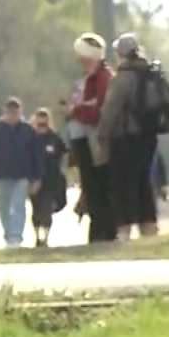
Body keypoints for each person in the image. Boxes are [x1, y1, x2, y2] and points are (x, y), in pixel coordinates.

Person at [99, 33, 161, 241]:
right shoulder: (152, 74)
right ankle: (149, 228)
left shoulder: (122, 78)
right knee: (144, 182)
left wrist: (102, 135)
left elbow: (111, 110)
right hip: (149, 137)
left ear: (121, 54)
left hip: (125, 137)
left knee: (122, 183)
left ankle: (124, 230)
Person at [68, 32, 116, 243]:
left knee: (98, 187)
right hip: (88, 138)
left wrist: (76, 110)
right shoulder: (94, 78)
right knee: (92, 186)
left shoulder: (103, 78)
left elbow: (98, 110)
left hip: (97, 140)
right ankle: (99, 230)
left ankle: (103, 231)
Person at [0, 97, 42, 247]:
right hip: (1, 174)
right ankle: (8, 234)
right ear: (5, 111)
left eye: (16, 111)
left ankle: (16, 236)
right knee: (3, 206)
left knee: (18, 204)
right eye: (10, 111)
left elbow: (36, 155)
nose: (13, 114)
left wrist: (37, 178)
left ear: (20, 111)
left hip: (22, 174)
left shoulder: (28, 130)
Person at [30, 108, 69, 248]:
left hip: (51, 180)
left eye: (44, 119)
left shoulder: (55, 137)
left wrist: (63, 171)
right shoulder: (31, 137)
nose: (42, 124)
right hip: (34, 180)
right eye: (39, 120)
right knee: (35, 210)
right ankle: (36, 237)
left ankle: (45, 238)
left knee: (47, 209)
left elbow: (64, 153)